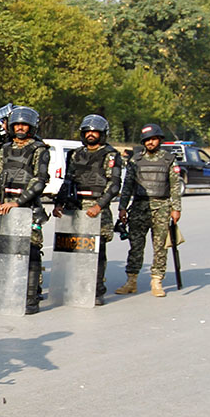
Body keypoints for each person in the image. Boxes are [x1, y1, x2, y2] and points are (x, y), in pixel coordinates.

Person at [53, 114, 122, 305]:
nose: (91, 134)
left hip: (96, 208)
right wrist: (59, 203)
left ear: (102, 134)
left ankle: (96, 290)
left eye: (95, 132)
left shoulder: (110, 155)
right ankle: (74, 286)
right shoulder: (75, 154)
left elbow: (114, 184)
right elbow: (67, 181)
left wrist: (99, 205)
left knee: (96, 251)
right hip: (75, 206)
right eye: (88, 131)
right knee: (72, 248)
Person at [0, 106, 50, 314]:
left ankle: (31, 298)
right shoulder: (4, 149)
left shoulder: (39, 149)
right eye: (17, 124)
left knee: (31, 251)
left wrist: (19, 202)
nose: (20, 128)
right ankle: (7, 291)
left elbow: (40, 181)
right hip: (4, 207)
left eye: (24, 124)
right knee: (5, 250)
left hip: (28, 207)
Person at [116, 123, 183, 298]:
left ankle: (157, 280)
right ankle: (131, 281)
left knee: (160, 247)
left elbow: (175, 186)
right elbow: (128, 185)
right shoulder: (135, 160)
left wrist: (176, 208)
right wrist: (122, 207)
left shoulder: (169, 159)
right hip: (139, 207)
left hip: (161, 208)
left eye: (153, 139)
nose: (150, 143)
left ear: (159, 139)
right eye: (147, 140)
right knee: (135, 246)